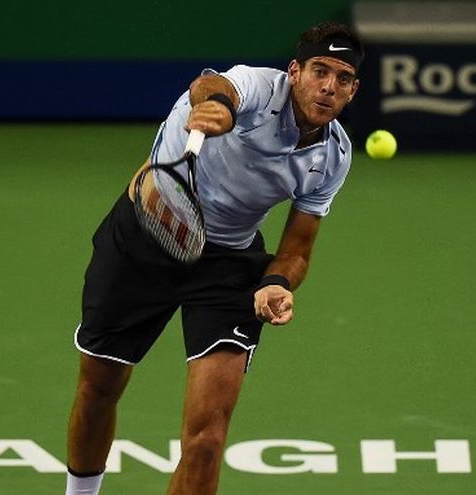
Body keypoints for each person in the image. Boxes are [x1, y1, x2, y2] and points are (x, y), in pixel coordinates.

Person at [65, 21, 363, 495]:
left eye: (342, 78)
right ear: (294, 72)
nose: (328, 86)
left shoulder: (334, 157)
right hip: (147, 235)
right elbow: (212, 86)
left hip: (228, 263)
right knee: (99, 387)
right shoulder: (255, 87)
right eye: (319, 71)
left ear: (352, 90)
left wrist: (277, 283)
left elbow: (297, 249)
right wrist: (219, 108)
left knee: (206, 440)